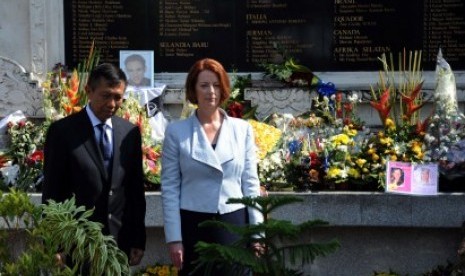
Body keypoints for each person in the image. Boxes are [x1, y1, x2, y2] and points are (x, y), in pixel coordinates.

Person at [161, 58, 263, 275]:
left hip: (234, 222)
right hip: (193, 225)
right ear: (193, 89)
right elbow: (170, 188)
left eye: (216, 85)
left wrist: (257, 234)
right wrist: (174, 238)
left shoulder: (242, 129)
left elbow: (251, 183)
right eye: (204, 85)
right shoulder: (176, 132)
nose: (211, 92)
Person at [42, 63, 146, 267]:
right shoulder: (63, 132)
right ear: (89, 91)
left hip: (118, 244)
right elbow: (52, 192)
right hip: (77, 245)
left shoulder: (129, 133)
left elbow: (134, 191)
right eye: (106, 95)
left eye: (118, 97)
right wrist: (55, 245)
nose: (112, 104)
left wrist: (137, 239)